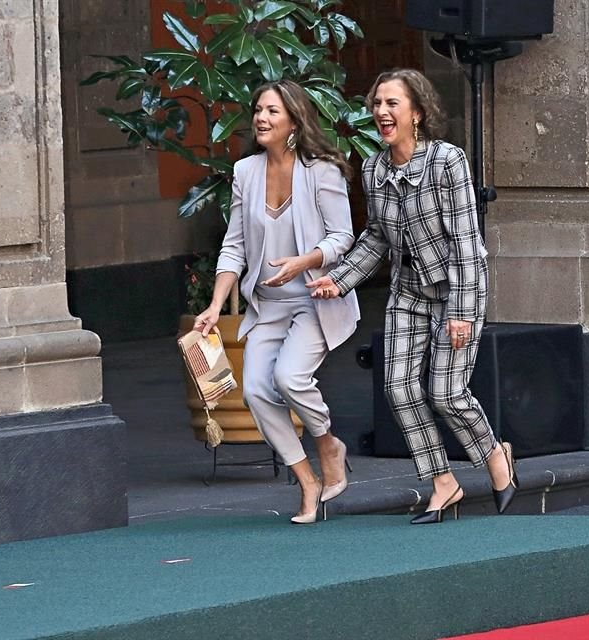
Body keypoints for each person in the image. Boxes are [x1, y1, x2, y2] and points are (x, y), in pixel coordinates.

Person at [307, 69, 517, 524]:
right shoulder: (374, 169)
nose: (381, 112)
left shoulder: (447, 162)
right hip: (408, 291)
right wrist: (338, 279)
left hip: (457, 289)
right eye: (377, 104)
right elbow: (377, 239)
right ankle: (444, 483)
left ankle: (495, 454)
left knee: (446, 393)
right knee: (398, 388)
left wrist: (461, 312)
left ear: (417, 113)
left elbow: (466, 242)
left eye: (392, 104)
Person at [194, 80, 360, 524]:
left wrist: (303, 261)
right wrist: (215, 306)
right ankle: (306, 480)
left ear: (293, 121)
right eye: (258, 110)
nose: (261, 118)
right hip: (267, 303)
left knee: (289, 378)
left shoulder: (321, 170)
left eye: (272, 111)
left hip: (313, 298)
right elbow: (234, 247)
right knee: (254, 391)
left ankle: (327, 443)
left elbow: (343, 237)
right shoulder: (245, 171)